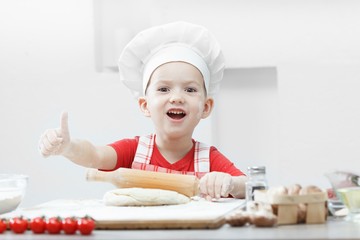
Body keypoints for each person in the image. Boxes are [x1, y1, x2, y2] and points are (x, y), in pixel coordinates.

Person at [38, 21, 247, 200]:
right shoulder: (133, 151)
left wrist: (229, 183)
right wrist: (68, 148)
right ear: (145, 105)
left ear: (206, 107)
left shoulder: (209, 159)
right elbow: (94, 155)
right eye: (163, 89)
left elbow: (251, 186)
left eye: (190, 89)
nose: (176, 97)